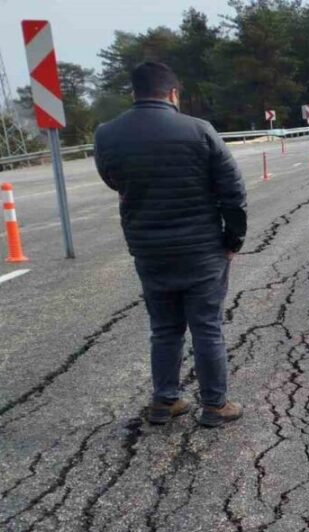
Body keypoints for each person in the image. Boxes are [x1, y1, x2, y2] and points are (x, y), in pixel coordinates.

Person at [94, 62, 247, 428]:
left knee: (164, 328)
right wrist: (233, 240)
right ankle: (214, 405)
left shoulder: (108, 134)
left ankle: (165, 401)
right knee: (207, 326)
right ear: (173, 94)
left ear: (135, 93)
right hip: (202, 251)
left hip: (150, 250)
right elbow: (233, 192)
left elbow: (113, 180)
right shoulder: (199, 130)